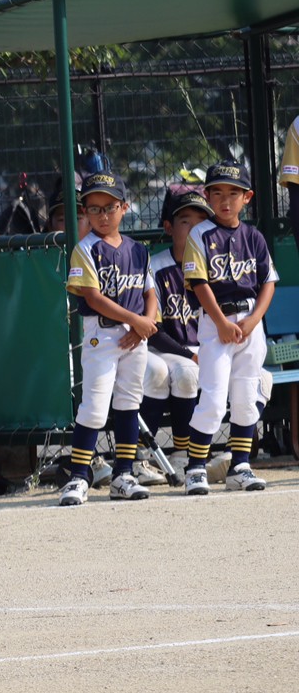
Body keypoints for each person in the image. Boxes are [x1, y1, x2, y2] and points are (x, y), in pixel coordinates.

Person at [57, 171, 158, 506]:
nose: (102, 215)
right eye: (93, 208)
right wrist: (134, 321)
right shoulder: (85, 249)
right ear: (84, 211)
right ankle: (78, 476)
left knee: (129, 402)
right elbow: (92, 297)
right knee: (96, 407)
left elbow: (149, 292)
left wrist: (145, 322)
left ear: (124, 207)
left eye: (109, 207)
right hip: (102, 334)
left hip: (135, 335)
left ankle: (123, 474)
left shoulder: (137, 249)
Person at [181, 160, 279, 494]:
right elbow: (198, 282)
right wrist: (222, 322)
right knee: (212, 395)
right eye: (218, 192)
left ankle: (240, 465)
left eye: (234, 193)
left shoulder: (254, 236)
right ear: (206, 195)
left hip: (250, 322)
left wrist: (252, 322)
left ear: (247, 197)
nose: (226, 200)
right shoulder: (200, 234)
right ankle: (195, 467)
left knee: (246, 394)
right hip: (216, 321)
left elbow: (267, 282)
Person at [141, 185, 214, 475]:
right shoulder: (156, 266)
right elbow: (154, 331)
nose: (194, 229)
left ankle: (233, 452)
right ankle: (177, 453)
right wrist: (190, 355)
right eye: (186, 222)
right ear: (169, 227)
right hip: (165, 349)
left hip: (205, 347)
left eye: (200, 222)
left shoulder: (216, 264)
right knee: (185, 372)